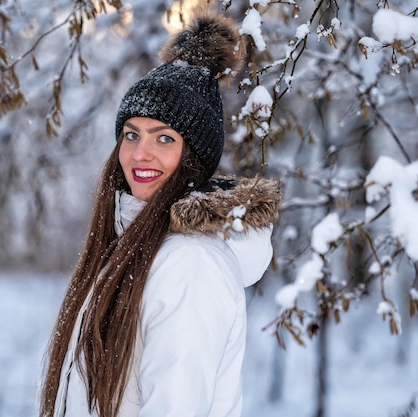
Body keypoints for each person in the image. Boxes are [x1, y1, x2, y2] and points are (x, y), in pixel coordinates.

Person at [39, 10, 281, 417]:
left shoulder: (190, 265)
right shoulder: (132, 246)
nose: (139, 154)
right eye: (131, 134)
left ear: (195, 158)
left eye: (164, 138)